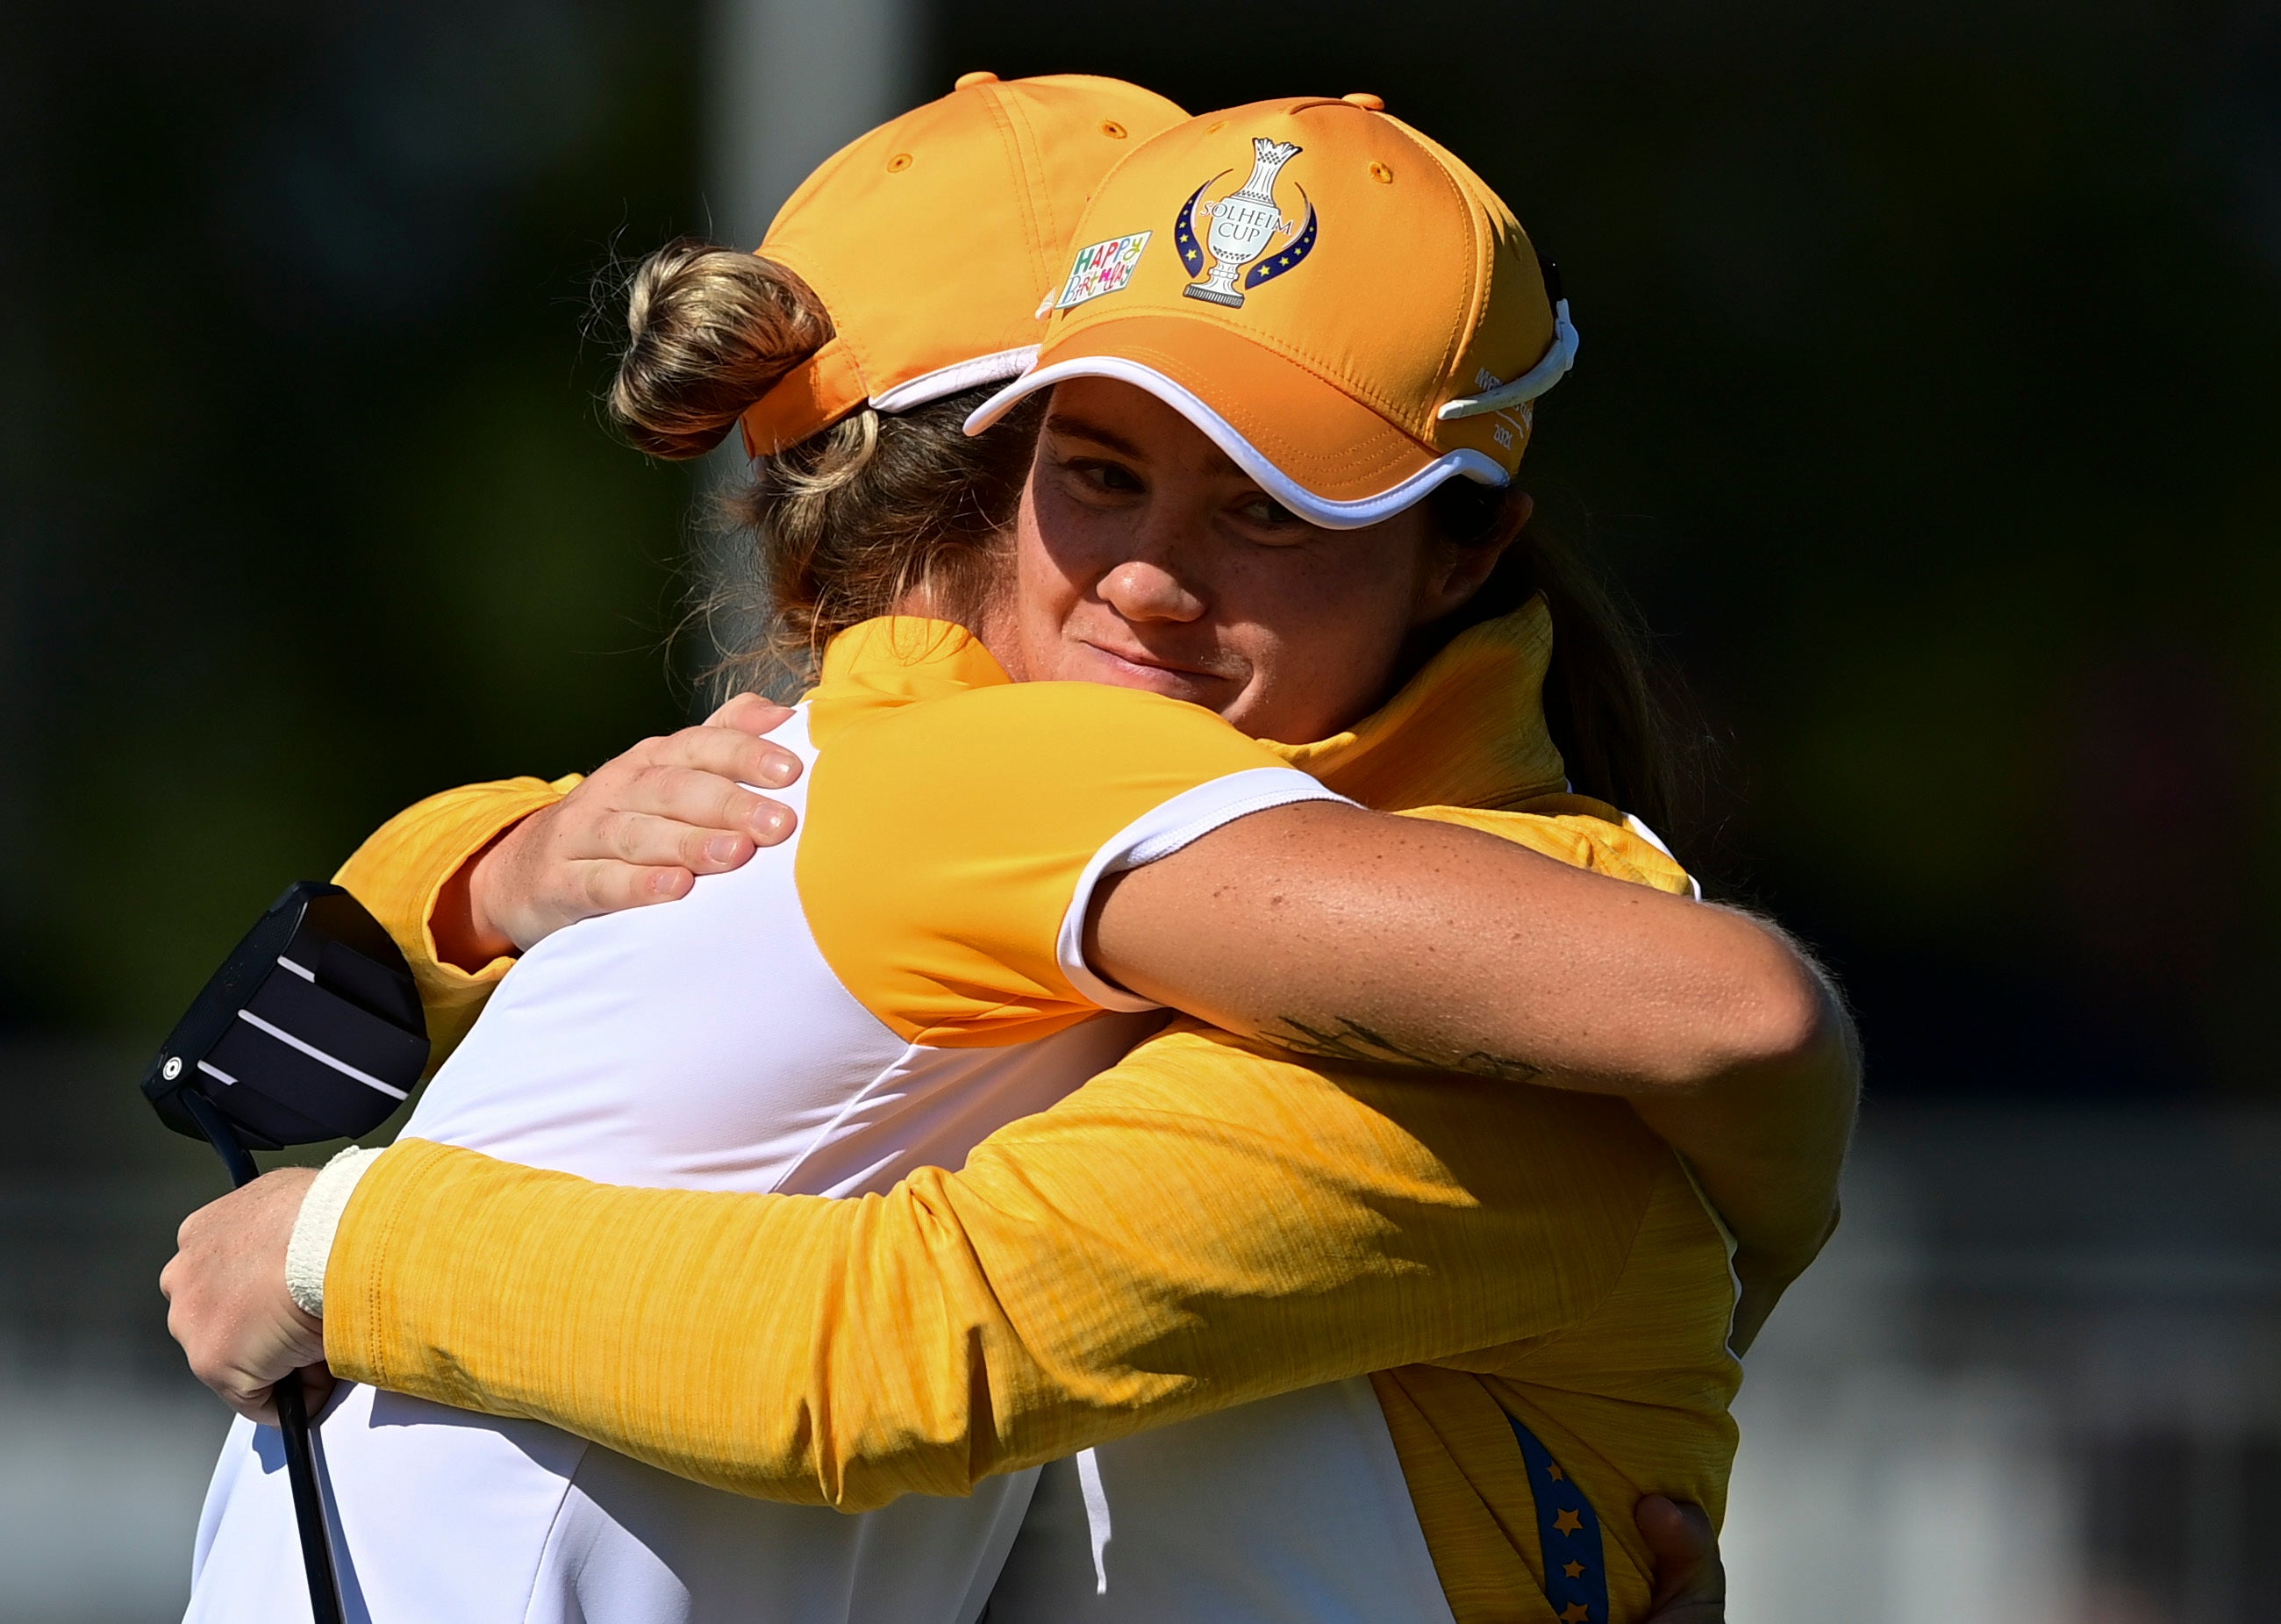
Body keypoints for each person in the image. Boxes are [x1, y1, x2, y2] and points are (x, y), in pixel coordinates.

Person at [167, 86, 1854, 1623]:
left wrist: (343, 1245)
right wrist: (502, 870)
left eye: (1270, 501)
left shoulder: (1056, 797)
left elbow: (899, 1350)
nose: (1145, 581)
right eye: (1098, 472)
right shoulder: (996, 796)